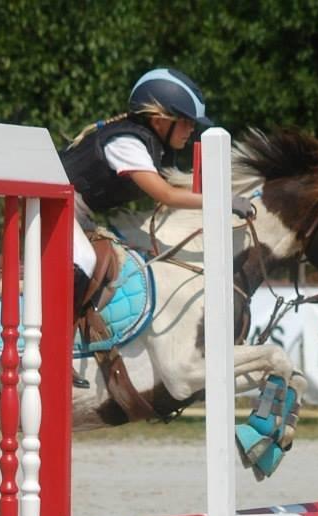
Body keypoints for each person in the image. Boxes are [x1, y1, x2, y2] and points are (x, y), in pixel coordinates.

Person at [60, 68, 254, 324]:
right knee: (85, 259)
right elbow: (166, 194)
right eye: (185, 121)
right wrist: (223, 201)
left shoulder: (150, 146)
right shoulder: (126, 143)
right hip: (52, 206)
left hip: (74, 211)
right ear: (158, 119)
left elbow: (173, 190)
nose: (191, 129)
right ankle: (57, 333)